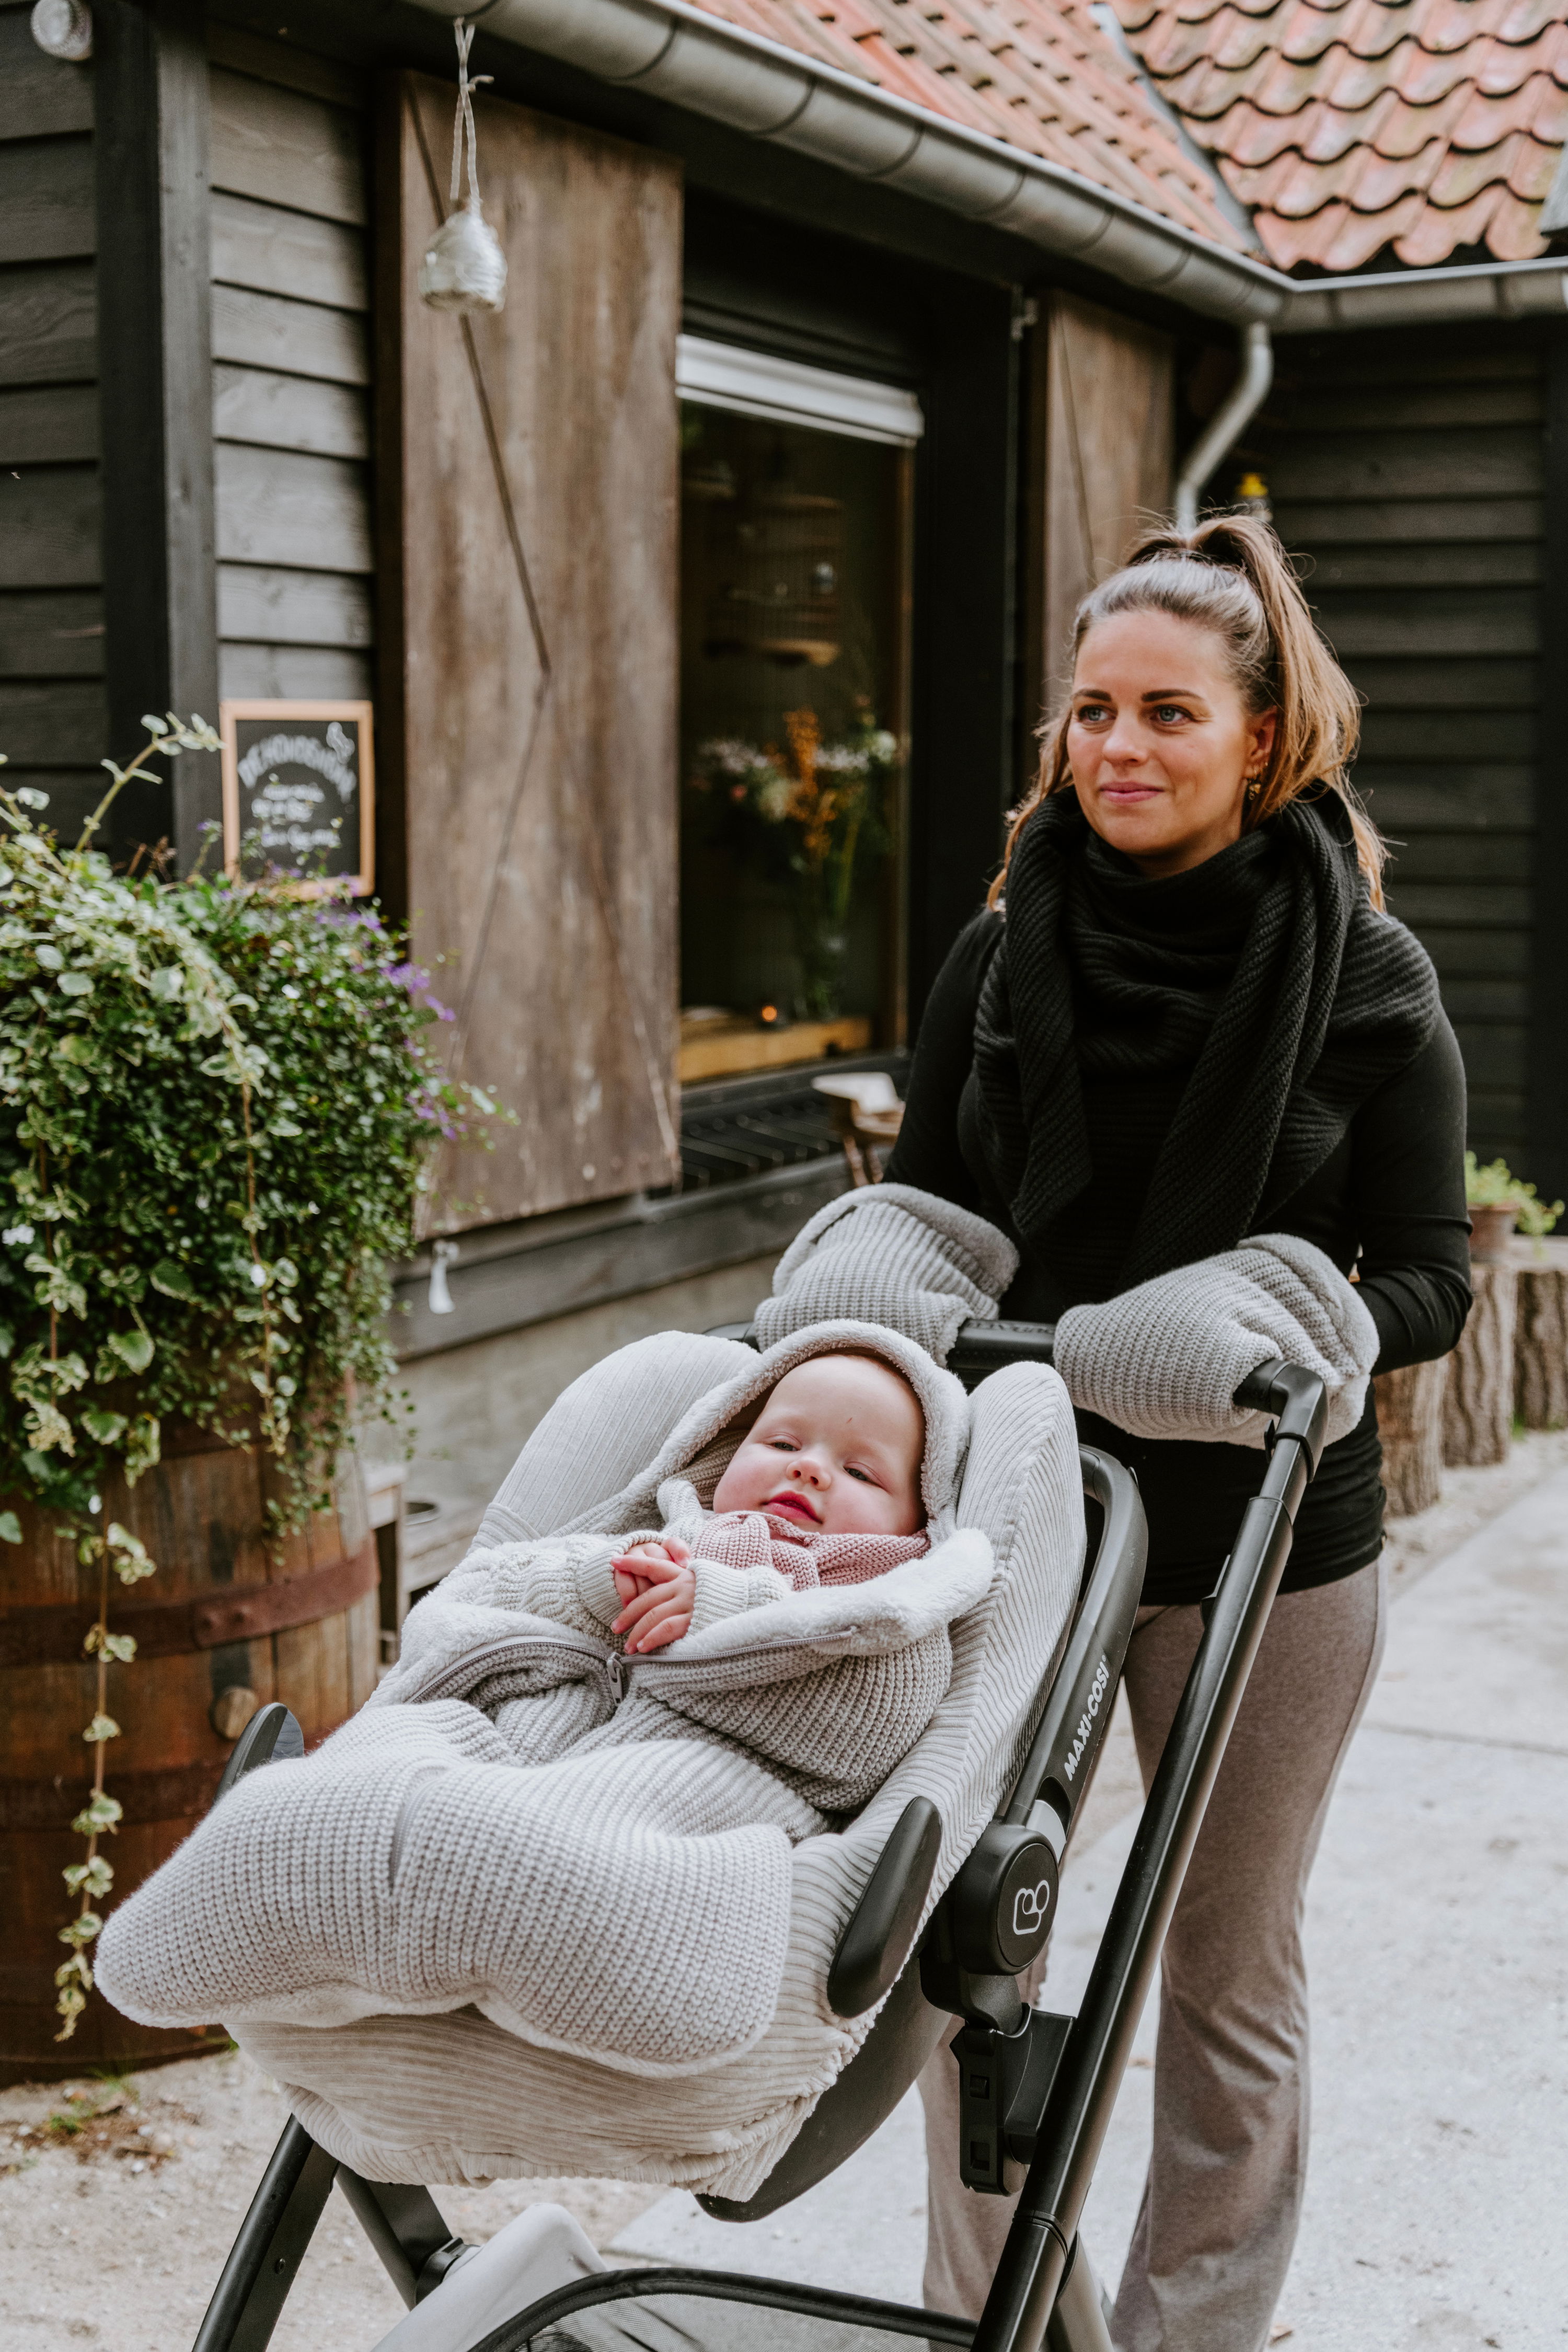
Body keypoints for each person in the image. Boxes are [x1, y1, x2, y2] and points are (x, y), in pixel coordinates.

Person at [885, 515, 1471, 2352]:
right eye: (1090, 714)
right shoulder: (997, 964)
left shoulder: (1370, 980)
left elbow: (1435, 1275)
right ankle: (1003, 2328)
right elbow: (927, 1225)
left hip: (1276, 1539)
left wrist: (1295, 1349)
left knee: (1223, 1963)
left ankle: (1195, 2334)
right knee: (970, 1955)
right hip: (1028, 1511)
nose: (1119, 749)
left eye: (1166, 714)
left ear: (1263, 737)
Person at [610, 1350, 929, 1651]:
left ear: (921, 1518)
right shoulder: (676, 1529)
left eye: (858, 1473)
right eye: (783, 1445)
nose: (808, 1468)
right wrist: (617, 1573)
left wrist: (729, 1603)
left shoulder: (898, 1602)